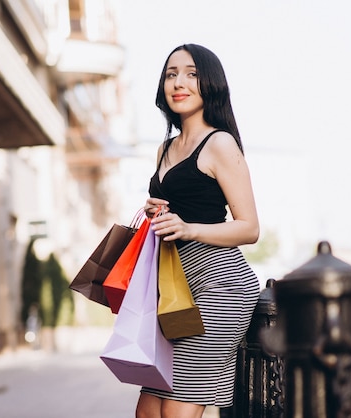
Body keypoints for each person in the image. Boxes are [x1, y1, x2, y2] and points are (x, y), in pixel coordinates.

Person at [138, 44, 260, 418]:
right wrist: (155, 210)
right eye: (171, 74)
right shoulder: (164, 149)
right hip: (175, 290)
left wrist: (188, 227)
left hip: (220, 287)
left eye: (191, 73)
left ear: (209, 83)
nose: (179, 82)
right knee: (147, 411)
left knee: (176, 412)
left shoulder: (219, 143)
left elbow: (250, 228)